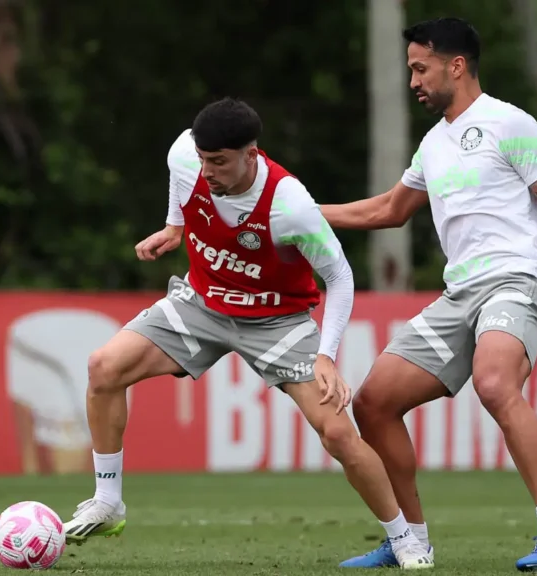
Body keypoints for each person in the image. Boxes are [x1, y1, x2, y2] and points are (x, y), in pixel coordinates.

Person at [62, 98, 433, 569]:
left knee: (339, 434)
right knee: (103, 367)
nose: (208, 171)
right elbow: (181, 182)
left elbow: (339, 277)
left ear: (251, 154)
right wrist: (175, 228)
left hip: (277, 322)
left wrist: (326, 355)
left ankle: (405, 541)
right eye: (203, 159)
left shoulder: (290, 204)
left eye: (219, 162)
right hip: (202, 303)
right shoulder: (185, 156)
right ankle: (108, 501)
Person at [320, 18, 537, 572]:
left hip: (519, 279)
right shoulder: (433, 143)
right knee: (373, 402)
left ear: (457, 65)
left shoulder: (511, 123)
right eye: (411, 70)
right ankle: (409, 542)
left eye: (421, 68)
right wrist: (299, 213)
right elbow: (388, 210)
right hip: (460, 293)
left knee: (494, 383)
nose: (414, 81)